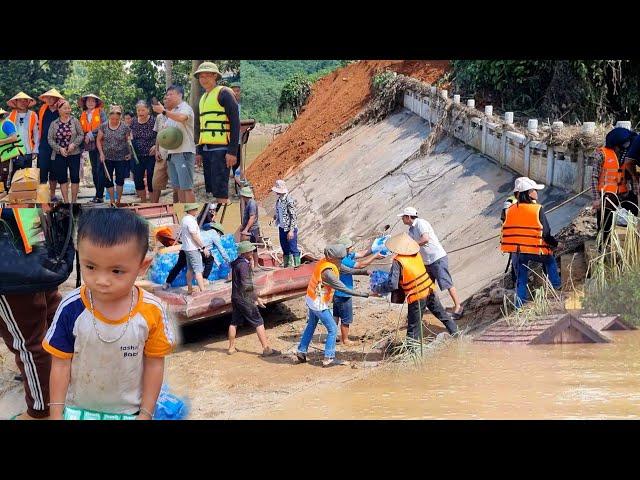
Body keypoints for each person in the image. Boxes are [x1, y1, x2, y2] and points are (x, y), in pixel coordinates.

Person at [43, 208, 175, 420]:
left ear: (142, 267)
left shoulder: (152, 311)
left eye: (116, 271)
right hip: (79, 411)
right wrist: (56, 414)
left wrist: (146, 414)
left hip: (129, 413)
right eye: (90, 267)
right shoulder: (70, 307)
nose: (101, 280)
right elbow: (60, 364)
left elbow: (154, 364)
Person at [0, 205, 67, 420]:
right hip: (28, 221)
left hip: (7, 255)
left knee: (28, 342)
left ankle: (41, 411)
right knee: (49, 309)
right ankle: (62, 375)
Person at [296, 244, 370, 367]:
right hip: (318, 303)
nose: (342, 261)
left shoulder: (326, 261)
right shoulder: (328, 273)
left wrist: (365, 272)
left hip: (311, 298)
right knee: (333, 329)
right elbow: (344, 288)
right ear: (334, 258)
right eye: (340, 259)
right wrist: (366, 294)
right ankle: (329, 357)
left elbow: (348, 270)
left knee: (311, 325)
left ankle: (301, 351)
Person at [379, 233, 458, 339]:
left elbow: (392, 284)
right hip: (429, 289)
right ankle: (458, 335)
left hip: (416, 295)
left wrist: (379, 288)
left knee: (413, 327)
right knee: (442, 315)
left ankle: (412, 353)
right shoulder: (416, 254)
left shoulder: (398, 261)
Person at [500, 177, 562, 307]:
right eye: (534, 190)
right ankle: (556, 287)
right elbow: (546, 234)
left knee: (521, 280)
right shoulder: (537, 209)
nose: (536, 193)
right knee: (550, 260)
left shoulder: (510, 209)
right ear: (529, 193)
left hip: (519, 252)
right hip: (536, 250)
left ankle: (519, 305)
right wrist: (556, 244)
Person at [400, 207, 464, 319]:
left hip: (437, 258)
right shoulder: (410, 230)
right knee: (426, 285)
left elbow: (425, 239)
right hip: (426, 261)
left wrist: (412, 245)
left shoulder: (421, 223)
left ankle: (458, 307)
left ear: (408, 217)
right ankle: (425, 308)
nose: (402, 219)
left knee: (446, 282)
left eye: (403, 217)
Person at [193, 62, 240, 210]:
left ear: (215, 76)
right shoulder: (203, 98)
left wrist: (232, 151)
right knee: (213, 188)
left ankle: (224, 212)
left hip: (221, 149)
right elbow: (202, 126)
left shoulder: (224, 93)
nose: (204, 78)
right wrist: (199, 151)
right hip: (207, 150)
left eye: (207, 75)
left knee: (221, 190)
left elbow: (235, 122)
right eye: (201, 76)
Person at [227, 241, 280, 357]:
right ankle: (266, 349)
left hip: (235, 297)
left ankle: (231, 348)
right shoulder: (243, 266)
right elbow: (247, 285)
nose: (252, 252)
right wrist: (256, 298)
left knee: (234, 322)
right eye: (250, 251)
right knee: (259, 321)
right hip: (245, 298)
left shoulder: (236, 263)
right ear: (245, 252)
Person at [592, 127, 639, 248]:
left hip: (624, 194)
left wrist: (636, 193)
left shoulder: (628, 155)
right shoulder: (601, 155)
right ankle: (602, 248)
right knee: (604, 225)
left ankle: (629, 247)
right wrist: (597, 199)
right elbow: (594, 177)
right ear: (616, 144)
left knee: (632, 218)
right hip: (606, 197)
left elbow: (632, 177)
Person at [152, 85, 197, 203]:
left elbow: (182, 118)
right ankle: (183, 208)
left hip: (184, 152)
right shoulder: (171, 113)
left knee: (187, 187)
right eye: (167, 95)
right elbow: (164, 134)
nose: (168, 97)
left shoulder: (185, 108)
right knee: (178, 188)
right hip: (171, 154)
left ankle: (191, 211)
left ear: (180, 95)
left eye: (171, 94)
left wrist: (163, 111)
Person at [335, 235, 381, 345]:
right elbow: (360, 265)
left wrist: (374, 248)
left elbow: (361, 254)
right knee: (346, 318)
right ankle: (345, 339)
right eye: (349, 247)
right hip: (344, 293)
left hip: (337, 293)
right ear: (344, 249)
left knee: (336, 315)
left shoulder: (345, 256)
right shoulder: (344, 260)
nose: (351, 249)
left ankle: (332, 335)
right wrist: (374, 256)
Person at [163, 220, 229, 289]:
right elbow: (221, 250)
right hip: (196, 250)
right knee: (210, 260)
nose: (220, 236)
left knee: (179, 265)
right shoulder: (215, 234)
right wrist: (228, 260)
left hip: (185, 248)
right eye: (220, 235)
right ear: (218, 232)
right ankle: (204, 279)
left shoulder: (202, 231)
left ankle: (167, 283)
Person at [47, 100, 83, 203]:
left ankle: (74, 201)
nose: (68, 110)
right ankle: (66, 202)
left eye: (69, 108)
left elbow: (81, 134)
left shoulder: (75, 121)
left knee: (75, 177)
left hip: (74, 154)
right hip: (59, 154)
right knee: (62, 178)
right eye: (65, 108)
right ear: (59, 110)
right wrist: (59, 149)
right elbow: (50, 139)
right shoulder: (54, 124)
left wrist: (74, 144)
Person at [97, 105, 132, 206]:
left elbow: (128, 141)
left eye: (117, 119)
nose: (114, 121)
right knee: (108, 180)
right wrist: (101, 153)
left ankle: (118, 200)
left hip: (121, 158)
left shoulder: (125, 127)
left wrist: (129, 153)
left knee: (120, 180)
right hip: (107, 157)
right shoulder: (103, 126)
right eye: (112, 119)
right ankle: (112, 201)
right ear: (109, 117)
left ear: (120, 118)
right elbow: (98, 140)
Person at [78, 93, 107, 203]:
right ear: (85, 103)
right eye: (88, 101)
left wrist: (91, 134)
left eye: (92, 101)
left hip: (100, 143)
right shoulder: (83, 114)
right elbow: (81, 128)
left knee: (100, 169)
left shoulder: (100, 112)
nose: (90, 103)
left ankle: (100, 195)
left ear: (96, 103)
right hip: (89, 145)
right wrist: (85, 136)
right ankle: (97, 194)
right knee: (94, 169)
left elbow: (104, 125)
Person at [37, 88, 64, 199]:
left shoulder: (60, 110)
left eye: (51, 97)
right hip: (44, 144)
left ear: (56, 99)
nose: (48, 99)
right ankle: (43, 196)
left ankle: (52, 194)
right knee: (42, 169)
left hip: (57, 144)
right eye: (47, 97)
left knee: (54, 171)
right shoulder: (43, 109)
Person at [180, 203, 211, 295]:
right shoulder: (190, 221)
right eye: (195, 209)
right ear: (190, 210)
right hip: (193, 248)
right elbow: (194, 236)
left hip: (186, 248)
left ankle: (190, 288)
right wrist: (203, 247)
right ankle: (203, 290)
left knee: (190, 269)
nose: (196, 211)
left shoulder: (184, 219)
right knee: (198, 270)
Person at [150, 94, 176, 203]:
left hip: (174, 155)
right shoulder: (160, 117)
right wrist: (156, 150)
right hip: (161, 155)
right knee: (156, 183)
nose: (166, 100)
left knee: (176, 185)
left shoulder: (177, 115)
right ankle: (153, 205)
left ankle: (176, 205)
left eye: (168, 98)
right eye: (164, 98)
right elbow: (158, 135)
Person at [6, 92, 39, 178]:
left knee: (27, 176)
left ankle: (26, 191)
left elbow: (36, 133)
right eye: (20, 101)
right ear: (15, 102)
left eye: (25, 101)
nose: (23, 103)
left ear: (28, 102)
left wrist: (35, 150)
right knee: (15, 176)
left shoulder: (33, 115)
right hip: (15, 150)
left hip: (28, 151)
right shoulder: (10, 116)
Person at [130, 100, 157, 202]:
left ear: (148, 110)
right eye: (138, 110)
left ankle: (153, 201)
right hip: (137, 156)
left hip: (151, 155)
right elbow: (131, 135)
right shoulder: (134, 122)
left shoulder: (154, 121)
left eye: (143, 110)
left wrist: (156, 146)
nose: (140, 112)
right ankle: (143, 201)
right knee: (137, 179)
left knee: (151, 178)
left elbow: (160, 135)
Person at [272, 179, 300, 267]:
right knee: (284, 248)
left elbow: (293, 216)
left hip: (289, 229)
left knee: (293, 248)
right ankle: (287, 266)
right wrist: (275, 217)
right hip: (281, 227)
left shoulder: (289, 200)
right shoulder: (279, 200)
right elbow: (280, 212)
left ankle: (297, 267)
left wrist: (291, 231)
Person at [0, 108, 25, 192]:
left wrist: (1, 141)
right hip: (4, 155)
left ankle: (8, 195)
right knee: (3, 176)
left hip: (12, 154)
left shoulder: (7, 123)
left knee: (7, 176)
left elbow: (13, 138)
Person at [239, 186, 261, 267]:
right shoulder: (249, 203)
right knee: (251, 247)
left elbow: (252, 217)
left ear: (244, 196)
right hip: (250, 229)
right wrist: (243, 227)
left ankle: (255, 265)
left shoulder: (251, 204)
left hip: (253, 229)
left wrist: (246, 230)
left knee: (253, 248)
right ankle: (252, 265)